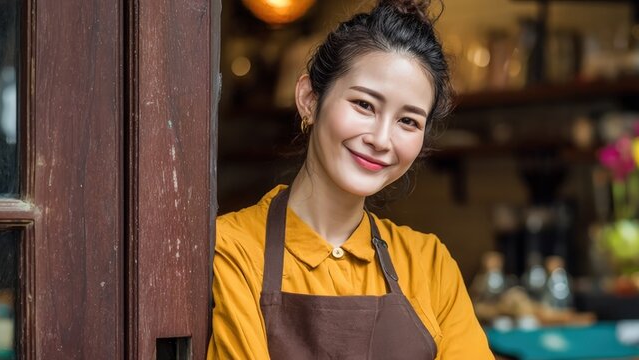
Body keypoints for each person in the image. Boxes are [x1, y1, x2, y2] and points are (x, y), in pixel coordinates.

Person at [208, 0, 495, 358]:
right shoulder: (233, 249)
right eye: (364, 105)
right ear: (310, 99)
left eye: (408, 121)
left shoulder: (430, 263)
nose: (380, 138)